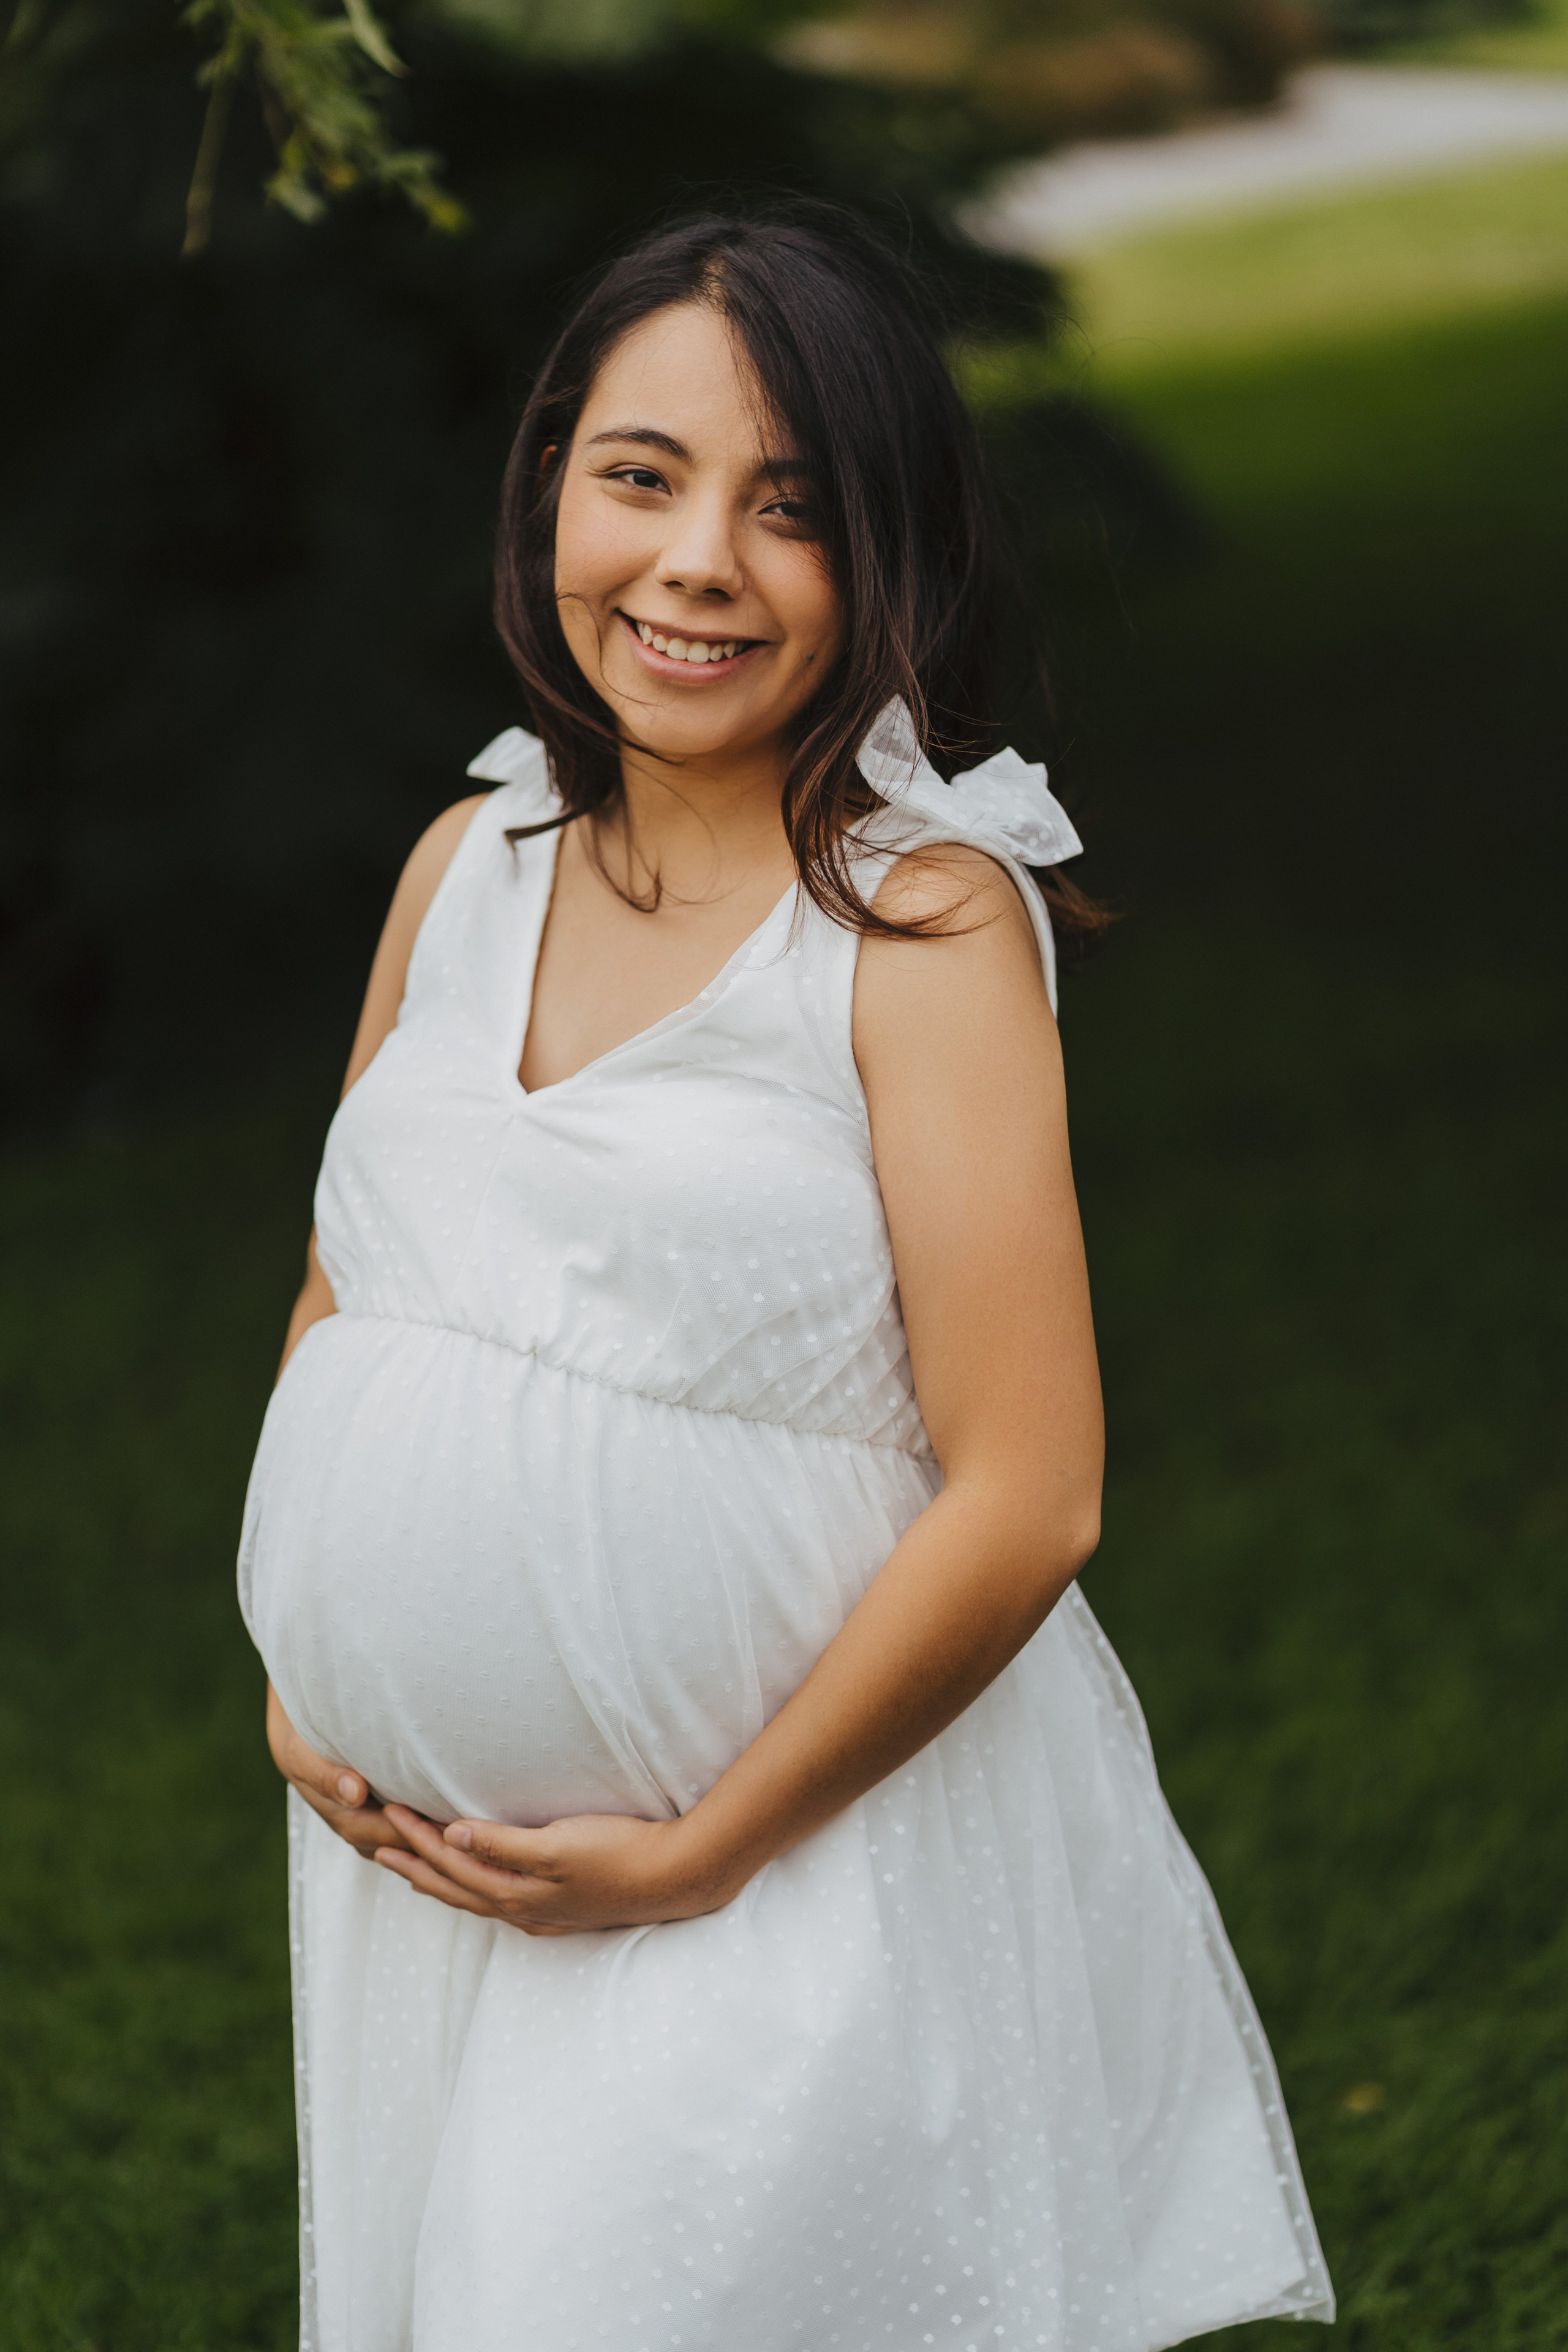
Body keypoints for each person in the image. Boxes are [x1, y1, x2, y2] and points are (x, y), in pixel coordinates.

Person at [240, 205, 1333, 2352]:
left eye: (792, 510)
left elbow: (1033, 1491)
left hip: (782, 1862)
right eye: (640, 474)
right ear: (554, 478)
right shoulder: (468, 863)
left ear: (892, 562)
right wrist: (314, 1664)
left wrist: (701, 1850)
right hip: (429, 1870)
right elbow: (354, 1285)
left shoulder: (918, 930)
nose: (697, 562)